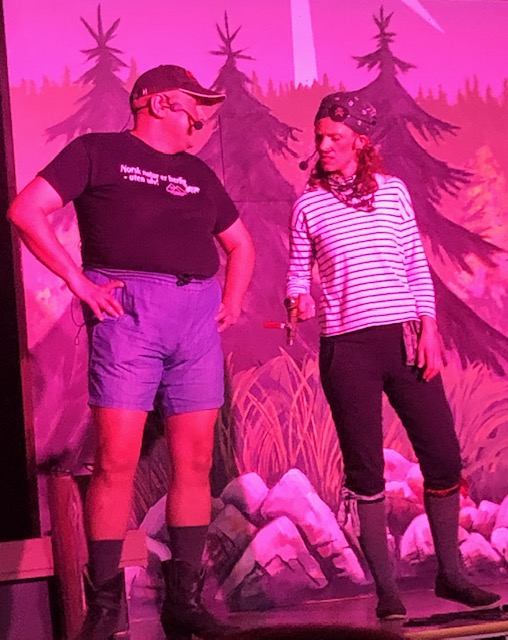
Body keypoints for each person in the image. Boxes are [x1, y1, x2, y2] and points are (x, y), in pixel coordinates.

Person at [8, 64, 255, 640]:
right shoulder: (98, 152)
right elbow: (26, 209)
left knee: (194, 462)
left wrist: (232, 300)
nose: (201, 121)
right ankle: (104, 608)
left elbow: (240, 244)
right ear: (159, 102)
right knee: (116, 462)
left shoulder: (197, 174)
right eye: (195, 109)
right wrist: (78, 281)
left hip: (194, 317)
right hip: (129, 314)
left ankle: (183, 604)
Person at [286, 92, 500, 621]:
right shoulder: (309, 204)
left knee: (443, 456)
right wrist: (298, 298)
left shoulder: (393, 192)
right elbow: (297, 271)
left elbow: (414, 265)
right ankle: (386, 592)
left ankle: (452, 575)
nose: (324, 146)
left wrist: (428, 327)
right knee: (365, 471)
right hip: (347, 346)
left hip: (403, 338)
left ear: (360, 141)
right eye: (319, 137)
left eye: (335, 138)